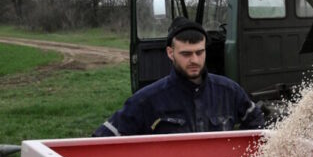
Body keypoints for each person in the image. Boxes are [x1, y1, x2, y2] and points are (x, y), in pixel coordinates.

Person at [93, 17, 263, 136]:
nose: (194, 60)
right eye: (186, 54)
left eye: (199, 52)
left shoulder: (229, 91)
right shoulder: (147, 100)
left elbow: (257, 122)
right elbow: (103, 141)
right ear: (170, 52)